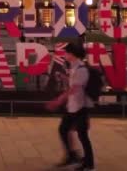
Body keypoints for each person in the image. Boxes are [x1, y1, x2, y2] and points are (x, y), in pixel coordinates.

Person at [46, 43, 95, 171]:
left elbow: (74, 89)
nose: (64, 55)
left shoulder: (81, 69)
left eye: (66, 52)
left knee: (82, 135)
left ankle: (88, 164)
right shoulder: (74, 67)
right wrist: (65, 77)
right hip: (73, 107)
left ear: (72, 54)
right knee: (64, 129)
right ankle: (72, 156)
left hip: (80, 107)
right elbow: (74, 82)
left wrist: (57, 101)